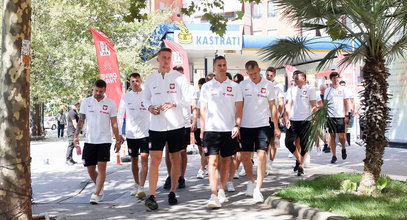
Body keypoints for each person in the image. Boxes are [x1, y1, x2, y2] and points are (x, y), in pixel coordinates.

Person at [142, 48, 191, 210]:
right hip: (156, 126)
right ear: (158, 59)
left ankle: (172, 191)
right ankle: (152, 195)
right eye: (163, 57)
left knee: (174, 158)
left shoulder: (179, 78)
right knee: (154, 160)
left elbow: (187, 99)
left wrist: (173, 103)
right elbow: (145, 97)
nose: (166, 60)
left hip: (175, 125)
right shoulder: (150, 78)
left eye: (169, 58)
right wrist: (149, 107)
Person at [200, 56, 243, 208]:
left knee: (226, 160)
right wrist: (202, 129)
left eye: (224, 65)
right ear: (214, 67)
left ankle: (222, 189)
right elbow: (203, 109)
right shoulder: (206, 87)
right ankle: (213, 195)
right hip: (211, 130)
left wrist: (237, 125)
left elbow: (239, 109)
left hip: (228, 130)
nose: (222, 67)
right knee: (212, 162)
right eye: (219, 65)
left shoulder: (235, 87)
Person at [74, 79, 124, 204]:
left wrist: (117, 140)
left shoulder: (111, 104)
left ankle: (96, 194)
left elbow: (114, 123)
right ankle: (99, 186)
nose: (98, 93)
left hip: (104, 140)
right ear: (93, 88)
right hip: (90, 140)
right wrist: (76, 136)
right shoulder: (86, 102)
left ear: (104, 90)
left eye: (101, 91)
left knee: (101, 167)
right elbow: (81, 120)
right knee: (90, 168)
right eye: (96, 90)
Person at [239, 61, 280, 203]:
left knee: (261, 156)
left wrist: (276, 126)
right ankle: (250, 181)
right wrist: (236, 125)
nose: (253, 76)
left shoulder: (269, 86)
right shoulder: (242, 85)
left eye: (255, 73)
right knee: (245, 157)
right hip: (245, 126)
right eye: (250, 74)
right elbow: (238, 106)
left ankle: (257, 188)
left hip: (263, 126)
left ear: (259, 70)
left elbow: (273, 107)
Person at [117, 73, 150, 199]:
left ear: (141, 81)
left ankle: (141, 187)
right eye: (132, 81)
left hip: (146, 133)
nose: (135, 83)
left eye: (137, 81)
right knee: (134, 160)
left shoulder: (147, 95)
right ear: (129, 83)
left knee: (144, 159)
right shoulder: (126, 97)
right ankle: (136, 184)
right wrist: (119, 133)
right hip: (131, 134)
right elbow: (120, 115)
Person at [162, 65, 193, 190]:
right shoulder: (167, 85)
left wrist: (193, 121)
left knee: (182, 152)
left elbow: (191, 103)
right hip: (170, 123)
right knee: (169, 151)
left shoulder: (188, 87)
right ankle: (170, 176)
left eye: (181, 74)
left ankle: (181, 177)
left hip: (184, 123)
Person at [284, 71, 317, 176]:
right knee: (288, 142)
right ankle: (299, 159)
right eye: (294, 79)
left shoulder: (310, 90)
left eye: (297, 78)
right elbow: (288, 103)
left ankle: (301, 166)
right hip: (293, 120)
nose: (295, 80)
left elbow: (313, 105)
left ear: (304, 78)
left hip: (306, 121)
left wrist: (313, 118)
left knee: (304, 144)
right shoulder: (291, 89)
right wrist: (286, 116)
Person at [324, 72, 351, 163]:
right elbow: (325, 104)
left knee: (341, 136)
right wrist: (324, 115)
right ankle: (334, 155)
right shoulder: (328, 90)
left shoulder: (344, 89)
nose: (336, 79)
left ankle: (343, 148)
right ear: (331, 79)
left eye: (337, 77)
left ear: (339, 79)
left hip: (340, 115)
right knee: (332, 135)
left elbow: (346, 102)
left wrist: (346, 115)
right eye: (334, 78)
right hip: (330, 116)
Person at [265, 67, 285, 174]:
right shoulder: (262, 84)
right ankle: (264, 163)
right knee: (264, 142)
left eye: (271, 75)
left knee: (273, 142)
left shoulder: (278, 86)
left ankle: (270, 164)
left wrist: (278, 116)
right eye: (267, 75)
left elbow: (281, 103)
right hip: (263, 117)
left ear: (274, 75)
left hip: (273, 118)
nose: (269, 77)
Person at [194, 78, 208, 179]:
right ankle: (204, 165)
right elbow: (197, 112)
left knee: (205, 149)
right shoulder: (198, 94)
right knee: (201, 148)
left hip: (211, 128)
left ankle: (202, 168)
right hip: (200, 126)